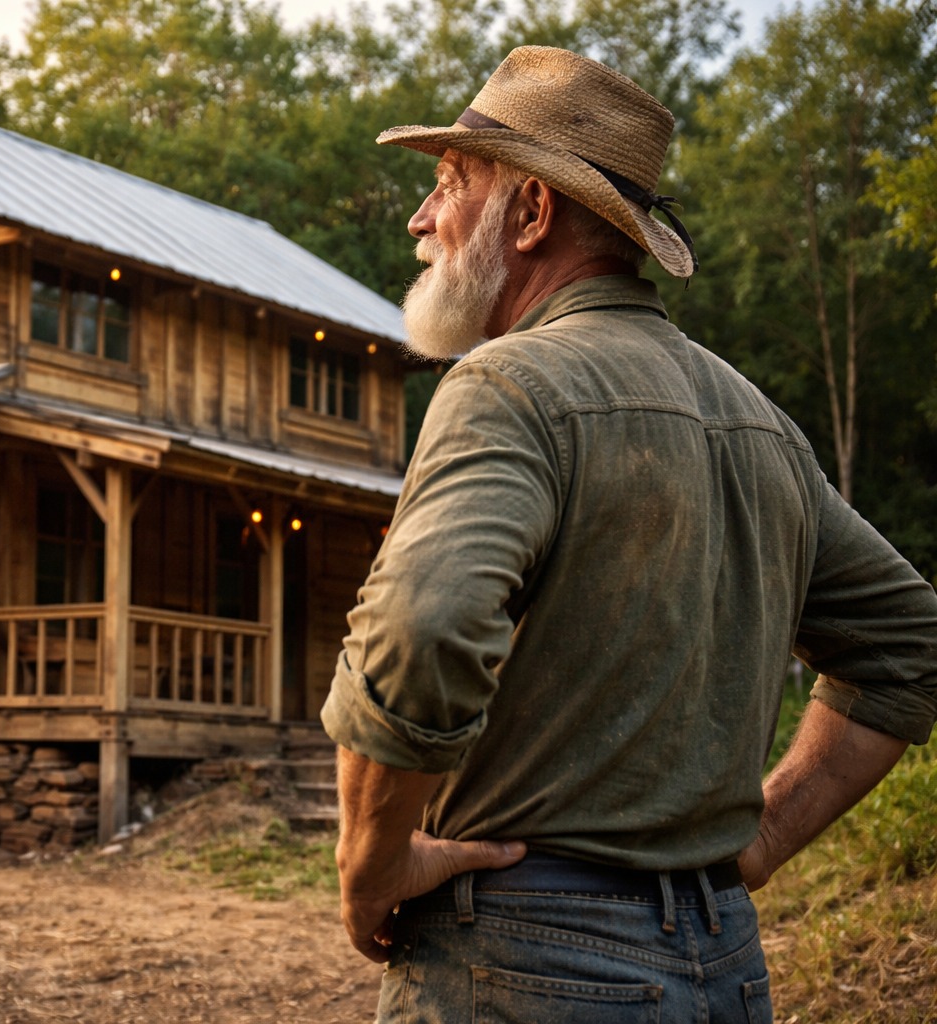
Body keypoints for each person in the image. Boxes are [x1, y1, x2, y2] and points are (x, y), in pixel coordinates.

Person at [321, 45, 937, 1022]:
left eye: (449, 184)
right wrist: (764, 837)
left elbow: (426, 625)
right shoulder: (764, 426)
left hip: (522, 964)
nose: (420, 219)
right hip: (723, 963)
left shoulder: (506, 385)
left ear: (529, 214)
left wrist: (372, 859)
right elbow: (910, 643)